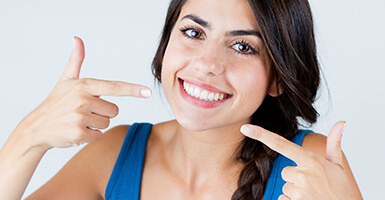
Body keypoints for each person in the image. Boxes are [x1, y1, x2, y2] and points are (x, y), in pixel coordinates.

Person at [0, 0, 363, 199]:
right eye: (193, 32)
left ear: (278, 79)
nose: (207, 65)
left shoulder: (311, 167)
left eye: (242, 46)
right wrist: (29, 137)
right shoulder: (114, 154)